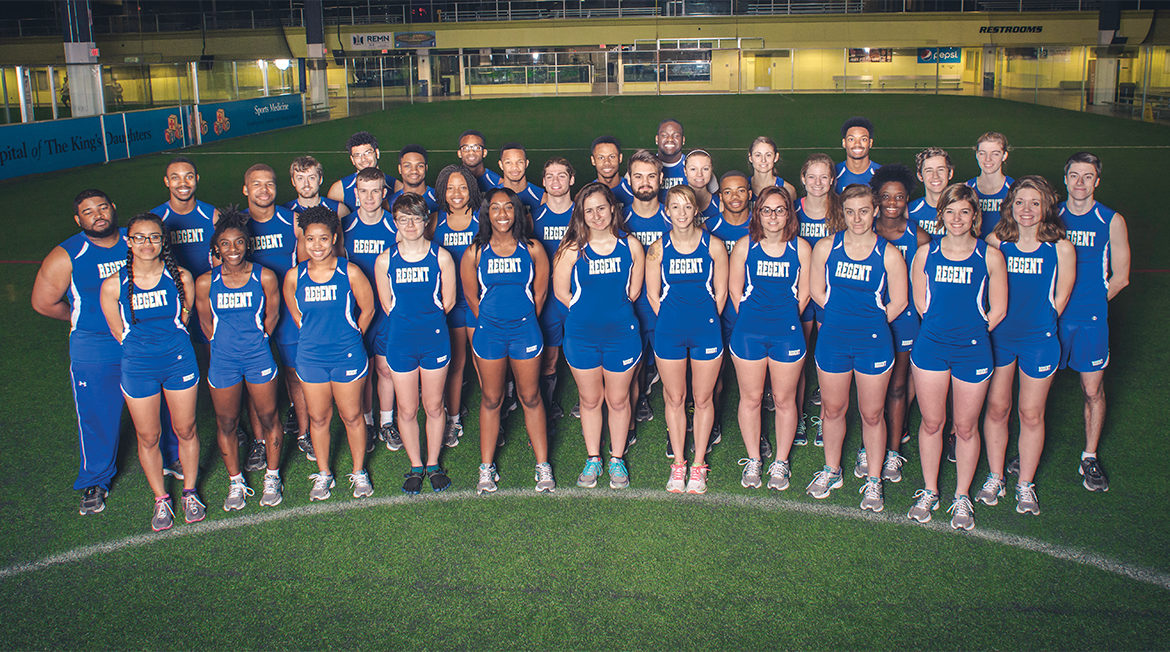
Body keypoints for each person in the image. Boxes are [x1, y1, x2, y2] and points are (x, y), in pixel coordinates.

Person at [907, 183, 1007, 531]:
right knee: (932, 423)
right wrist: (941, 328)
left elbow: (999, 310)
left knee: (965, 427)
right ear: (941, 216)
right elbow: (921, 303)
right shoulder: (926, 254)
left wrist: (970, 333)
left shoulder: (989, 256)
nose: (957, 218)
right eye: (950, 211)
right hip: (931, 347)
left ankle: (961, 495)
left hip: (972, 351)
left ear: (974, 215)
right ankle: (930, 489)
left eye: (964, 211)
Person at [98, 212, 202, 531]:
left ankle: (189, 492)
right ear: (129, 241)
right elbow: (120, 333)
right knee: (149, 435)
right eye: (139, 237)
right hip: (139, 366)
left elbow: (182, 320)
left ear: (163, 240)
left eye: (154, 237)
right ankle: (161, 499)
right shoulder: (114, 284)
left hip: (179, 361)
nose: (147, 243)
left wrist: (166, 346)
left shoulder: (182, 277)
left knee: (186, 429)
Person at [807, 184, 907, 513]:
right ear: (842, 213)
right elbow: (816, 291)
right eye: (850, 212)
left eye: (864, 210)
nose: (857, 218)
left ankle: (874, 480)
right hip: (834, 339)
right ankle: (831, 470)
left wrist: (871, 323)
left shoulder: (888, 253)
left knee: (872, 414)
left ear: (875, 210)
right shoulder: (826, 247)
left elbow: (900, 301)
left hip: (873, 343)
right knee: (833, 410)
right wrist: (839, 318)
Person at [981, 176, 1076, 515]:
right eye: (1020, 202)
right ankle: (995, 476)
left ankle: (1025, 484)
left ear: (1046, 207)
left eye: (1035, 203)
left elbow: (1060, 299)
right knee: (997, 409)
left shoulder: (1060, 247)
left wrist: (1038, 325)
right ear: (1010, 205)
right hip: (1000, 338)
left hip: (1039, 340)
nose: (1027, 210)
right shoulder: (995, 242)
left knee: (1031, 413)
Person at [31, 190, 128, 515]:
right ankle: (96, 479)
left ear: (113, 209)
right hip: (95, 344)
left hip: (139, 338)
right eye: (89, 212)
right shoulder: (67, 254)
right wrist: (81, 318)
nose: (98, 215)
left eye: (103, 208)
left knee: (163, 403)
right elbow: (43, 302)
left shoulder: (136, 240)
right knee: (96, 413)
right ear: (79, 219)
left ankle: (172, 459)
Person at [461, 187, 555, 494]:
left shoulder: (533, 249)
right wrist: (491, 320)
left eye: (508, 208)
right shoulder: (476, 251)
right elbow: (471, 296)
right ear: (486, 213)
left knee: (531, 397)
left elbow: (540, 294)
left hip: (525, 332)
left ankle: (543, 466)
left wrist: (523, 318)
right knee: (491, 399)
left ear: (517, 212)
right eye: (495, 208)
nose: (502, 214)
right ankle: (486, 468)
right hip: (490, 334)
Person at [554, 182, 645, 490]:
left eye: (601, 208)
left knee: (618, 400)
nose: (596, 216)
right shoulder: (571, 249)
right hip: (582, 337)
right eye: (589, 210)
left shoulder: (630, 245)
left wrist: (613, 312)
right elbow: (561, 292)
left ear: (612, 209)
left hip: (621, 335)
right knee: (590, 400)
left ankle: (617, 458)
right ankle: (593, 457)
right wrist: (586, 313)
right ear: (581, 214)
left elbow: (633, 290)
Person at [283, 206, 376, 501]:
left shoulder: (349, 271)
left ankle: (359, 472)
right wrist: (316, 339)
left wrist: (351, 335)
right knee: (318, 419)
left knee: (352, 416)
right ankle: (324, 474)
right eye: (310, 239)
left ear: (334, 238)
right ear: (303, 241)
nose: (317, 245)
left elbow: (368, 308)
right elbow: (298, 316)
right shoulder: (294, 277)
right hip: (311, 358)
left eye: (323, 239)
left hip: (347, 355)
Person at [194, 209, 284, 510]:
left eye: (239, 243)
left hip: (258, 356)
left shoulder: (265, 277)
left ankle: (272, 476)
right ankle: (236, 482)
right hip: (223, 361)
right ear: (216, 248)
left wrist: (257, 340)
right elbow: (206, 323)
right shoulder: (206, 283)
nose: (232, 250)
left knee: (269, 417)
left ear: (248, 244)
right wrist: (224, 346)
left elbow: (272, 316)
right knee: (227, 422)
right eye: (225, 244)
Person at [645, 185, 728, 494]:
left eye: (686, 206)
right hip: (670, 332)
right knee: (675, 397)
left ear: (696, 210)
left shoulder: (713, 245)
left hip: (705, 329)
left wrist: (704, 318)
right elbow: (653, 296)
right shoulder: (658, 248)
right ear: (667, 212)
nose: (681, 213)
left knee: (703, 398)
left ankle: (699, 465)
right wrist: (671, 319)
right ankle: (679, 463)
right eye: (675, 207)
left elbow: (720, 295)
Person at [728, 185, 810, 491]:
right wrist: (755, 317)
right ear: (757, 213)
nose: (773, 216)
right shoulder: (744, 246)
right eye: (766, 210)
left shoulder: (800, 248)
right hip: (749, 332)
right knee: (750, 398)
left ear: (789, 214)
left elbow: (805, 293)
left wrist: (785, 317)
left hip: (787, 333)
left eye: (780, 210)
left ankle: (780, 462)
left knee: (785, 399)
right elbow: (735, 292)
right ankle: (754, 459)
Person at [374, 193, 457, 493]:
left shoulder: (441, 257)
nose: (409, 224)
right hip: (400, 342)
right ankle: (415, 465)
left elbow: (448, 301)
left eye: (415, 217)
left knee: (434, 405)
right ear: (395, 222)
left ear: (426, 220)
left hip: (434, 340)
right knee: (407, 409)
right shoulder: (385, 259)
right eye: (403, 219)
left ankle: (433, 463)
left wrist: (426, 323)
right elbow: (387, 305)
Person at [1057, 151, 1130, 492]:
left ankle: (1089, 455)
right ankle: (1027, 452)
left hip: (1089, 321)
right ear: (1065, 178)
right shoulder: (1051, 215)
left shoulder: (1110, 220)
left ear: (1097, 180)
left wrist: (1092, 307)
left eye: (1088, 176)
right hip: (1052, 318)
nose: (1080, 182)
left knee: (1091, 389)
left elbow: (1121, 277)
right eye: (1075, 175)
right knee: (1037, 390)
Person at [864, 164, 931, 484]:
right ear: (876, 198)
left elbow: (925, 284)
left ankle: (892, 451)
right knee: (868, 390)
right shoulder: (866, 229)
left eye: (899, 197)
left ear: (908, 199)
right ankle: (869, 447)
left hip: (903, 320)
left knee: (898, 386)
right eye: (886, 196)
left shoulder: (918, 237)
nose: (892, 202)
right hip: (869, 319)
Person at [243, 164, 311, 462]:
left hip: (287, 312)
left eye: (269, 184)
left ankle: (304, 434)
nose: (263, 190)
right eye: (256, 184)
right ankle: (259, 440)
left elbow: (308, 267)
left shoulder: (293, 220)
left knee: (296, 375)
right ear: (246, 189)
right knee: (253, 380)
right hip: (248, 315)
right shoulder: (239, 226)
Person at [341, 167, 398, 452]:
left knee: (385, 369)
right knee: (362, 371)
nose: (370, 196)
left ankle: (387, 422)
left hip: (387, 311)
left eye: (376, 190)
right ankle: (366, 421)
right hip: (356, 313)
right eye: (364, 191)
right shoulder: (344, 226)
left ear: (384, 193)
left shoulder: (394, 225)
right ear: (355, 193)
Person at [429, 164, 483, 445]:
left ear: (471, 189)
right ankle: (453, 419)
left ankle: (492, 414)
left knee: (483, 361)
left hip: (477, 304)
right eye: (450, 187)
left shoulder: (481, 220)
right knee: (456, 364)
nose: (457, 193)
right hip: (448, 305)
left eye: (463, 186)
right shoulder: (434, 221)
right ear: (441, 191)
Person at [703, 170, 753, 453]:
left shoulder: (762, 225)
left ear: (750, 193)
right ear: (719, 196)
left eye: (741, 190)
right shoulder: (709, 227)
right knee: (715, 376)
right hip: (720, 312)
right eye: (727, 192)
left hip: (752, 315)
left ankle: (757, 434)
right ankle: (713, 425)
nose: (735, 197)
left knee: (754, 384)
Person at [794, 154, 840, 446]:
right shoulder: (793, 209)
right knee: (797, 360)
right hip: (798, 294)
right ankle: (796, 416)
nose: (818, 183)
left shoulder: (840, 210)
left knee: (825, 360)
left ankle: (825, 416)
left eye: (824, 177)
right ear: (803, 179)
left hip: (827, 296)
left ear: (833, 180)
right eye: (812, 176)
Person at [623, 149, 669, 431]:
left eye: (651, 176)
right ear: (629, 179)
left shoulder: (674, 215)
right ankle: (634, 409)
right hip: (630, 306)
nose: (645, 182)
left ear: (661, 179)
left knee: (674, 372)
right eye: (638, 176)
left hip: (665, 306)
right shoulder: (618, 218)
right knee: (632, 367)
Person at [534, 157, 576, 421]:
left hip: (577, 296)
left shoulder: (584, 215)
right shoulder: (533, 218)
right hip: (548, 299)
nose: (555, 181)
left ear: (572, 180)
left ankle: (589, 401)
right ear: (543, 181)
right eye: (550, 176)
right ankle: (547, 407)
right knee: (549, 357)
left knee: (584, 353)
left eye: (562, 175)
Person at [326, 131, 397, 212]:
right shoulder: (339, 190)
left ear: (377, 153)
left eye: (368, 153)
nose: (363, 159)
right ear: (352, 160)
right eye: (357, 155)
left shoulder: (396, 187)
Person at [966, 132, 1014, 240]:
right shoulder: (966, 189)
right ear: (977, 155)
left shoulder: (1015, 189)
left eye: (995, 153)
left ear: (1004, 156)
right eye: (983, 153)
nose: (988, 159)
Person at [910, 146, 954, 239]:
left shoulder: (961, 212)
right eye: (929, 171)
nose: (935, 176)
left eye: (940, 169)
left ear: (950, 173)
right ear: (920, 176)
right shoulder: (909, 211)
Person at [285, 155, 350, 218]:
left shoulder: (339, 210)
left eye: (311, 178)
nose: (306, 184)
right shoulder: (285, 211)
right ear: (293, 181)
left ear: (320, 180)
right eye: (300, 178)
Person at [497, 142, 545, 217]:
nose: (514, 167)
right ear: (501, 165)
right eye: (508, 162)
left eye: (520, 162)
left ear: (526, 164)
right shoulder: (491, 196)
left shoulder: (542, 197)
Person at [835, 117, 880, 192]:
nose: (857, 144)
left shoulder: (881, 174)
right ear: (844, 143)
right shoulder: (833, 174)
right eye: (851, 139)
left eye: (863, 139)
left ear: (870, 143)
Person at [389, 144, 438, 212]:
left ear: (426, 168)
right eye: (407, 166)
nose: (414, 170)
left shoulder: (440, 199)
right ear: (400, 169)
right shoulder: (389, 203)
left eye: (420, 166)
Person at [747, 136, 798, 200]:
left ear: (776, 157)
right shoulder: (743, 188)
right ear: (750, 158)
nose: (763, 160)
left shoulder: (788, 190)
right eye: (758, 155)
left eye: (768, 155)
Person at [591, 135, 635, 207]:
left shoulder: (634, 190)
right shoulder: (586, 195)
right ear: (593, 160)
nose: (607, 162)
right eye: (601, 157)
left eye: (612, 157)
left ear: (620, 158)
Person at [683, 149, 720, 220]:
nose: (699, 174)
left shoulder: (721, 205)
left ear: (711, 170)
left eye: (705, 169)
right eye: (693, 169)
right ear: (685, 171)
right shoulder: (676, 204)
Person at [655, 119, 687, 195]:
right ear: (657, 139)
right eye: (664, 135)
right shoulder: (643, 167)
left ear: (683, 140)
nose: (670, 139)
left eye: (676, 136)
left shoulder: (695, 166)